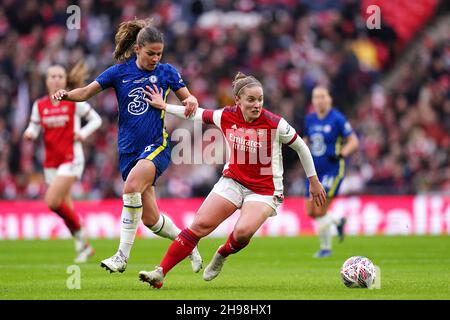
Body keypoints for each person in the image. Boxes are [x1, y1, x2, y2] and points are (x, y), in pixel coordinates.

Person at [137, 72, 327, 288]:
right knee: (199, 225)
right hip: (233, 181)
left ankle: (223, 253)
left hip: (264, 190)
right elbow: (195, 114)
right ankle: (160, 272)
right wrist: (164, 106)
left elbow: (301, 146)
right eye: (251, 100)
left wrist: (314, 181)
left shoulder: (275, 123)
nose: (257, 105)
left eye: (260, 99)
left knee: (242, 232)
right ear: (238, 100)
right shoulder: (226, 115)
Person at [52, 18, 203, 273]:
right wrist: (65, 95)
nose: (155, 58)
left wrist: (191, 102)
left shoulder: (166, 72)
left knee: (130, 187)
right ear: (137, 49)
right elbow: (86, 92)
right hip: (128, 150)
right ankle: (187, 245)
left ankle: (121, 257)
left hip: (157, 145)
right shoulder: (119, 73)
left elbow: (190, 100)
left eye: (159, 53)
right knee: (151, 219)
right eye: (150, 53)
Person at [23, 62, 102, 263]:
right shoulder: (39, 105)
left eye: (60, 76)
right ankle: (83, 246)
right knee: (65, 207)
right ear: (46, 81)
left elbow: (96, 120)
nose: (56, 79)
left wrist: (82, 133)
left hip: (72, 159)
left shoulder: (73, 101)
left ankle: (81, 234)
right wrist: (30, 133)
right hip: (51, 163)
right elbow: (33, 127)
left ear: (65, 80)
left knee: (51, 201)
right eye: (53, 76)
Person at [303, 85, 359, 258]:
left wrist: (341, 153)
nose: (319, 100)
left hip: (332, 170)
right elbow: (305, 140)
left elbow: (353, 141)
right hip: (313, 171)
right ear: (312, 100)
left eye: (322, 96)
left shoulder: (337, 119)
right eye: (316, 97)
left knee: (320, 210)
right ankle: (338, 221)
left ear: (329, 99)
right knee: (310, 211)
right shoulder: (309, 119)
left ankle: (325, 248)